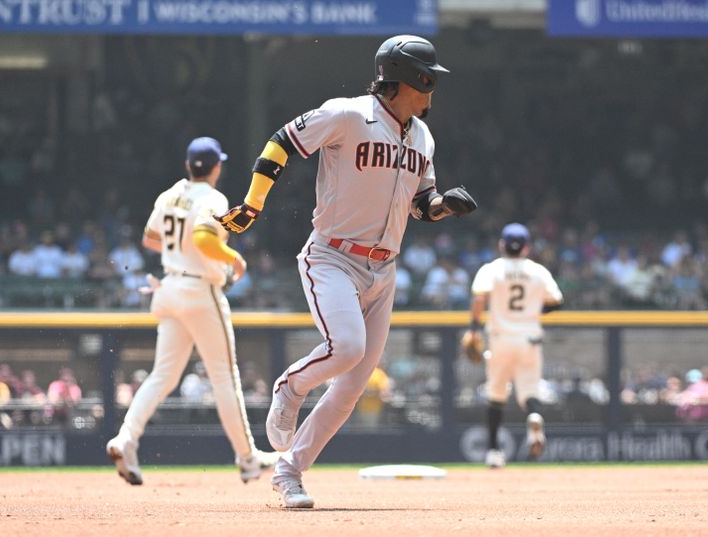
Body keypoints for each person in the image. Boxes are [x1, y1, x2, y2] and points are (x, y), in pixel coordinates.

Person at [216, 35, 477, 508]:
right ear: (408, 79)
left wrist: (443, 207)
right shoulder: (348, 114)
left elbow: (420, 206)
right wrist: (254, 203)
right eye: (428, 82)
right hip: (332, 257)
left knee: (353, 384)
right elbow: (281, 142)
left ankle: (289, 472)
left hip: (384, 269)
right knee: (348, 348)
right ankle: (291, 384)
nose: (433, 92)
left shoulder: (422, 136)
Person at [105, 137, 278, 486]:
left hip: (170, 286)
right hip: (199, 288)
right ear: (216, 167)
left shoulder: (168, 194)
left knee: (162, 376)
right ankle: (248, 459)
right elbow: (202, 239)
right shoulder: (213, 198)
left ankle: (125, 439)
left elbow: (150, 239)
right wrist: (234, 257)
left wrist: (180, 253)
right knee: (224, 377)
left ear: (188, 165)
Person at [462, 223, 563, 468]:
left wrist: (474, 329)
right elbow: (557, 301)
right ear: (527, 247)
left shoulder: (492, 269)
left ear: (501, 245)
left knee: (496, 394)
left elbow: (478, 297)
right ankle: (534, 416)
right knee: (529, 390)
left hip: (499, 338)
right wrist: (533, 309)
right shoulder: (537, 271)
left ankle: (495, 451)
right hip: (529, 337)